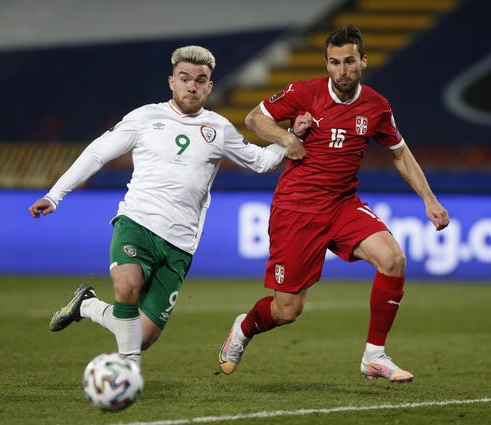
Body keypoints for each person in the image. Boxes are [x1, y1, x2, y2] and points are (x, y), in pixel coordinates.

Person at [28, 45, 308, 367]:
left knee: (142, 336)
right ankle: (127, 372)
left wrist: (290, 136)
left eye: (200, 80)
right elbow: (97, 153)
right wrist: (55, 195)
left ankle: (87, 305)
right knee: (127, 286)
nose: (192, 86)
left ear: (209, 86)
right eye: (184, 78)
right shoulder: (146, 117)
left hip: (180, 242)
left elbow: (260, 162)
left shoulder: (218, 128)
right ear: (171, 82)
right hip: (137, 222)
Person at [218, 25, 450, 383]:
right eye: (335, 62)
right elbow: (254, 118)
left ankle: (374, 355)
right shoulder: (303, 92)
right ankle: (245, 328)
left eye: (349, 61)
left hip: (342, 204)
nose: (342, 70)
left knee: (393, 259)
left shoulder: (376, 105)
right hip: (296, 208)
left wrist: (429, 200)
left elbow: (399, 153)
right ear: (327, 64)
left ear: (363, 61)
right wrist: (286, 138)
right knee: (287, 310)